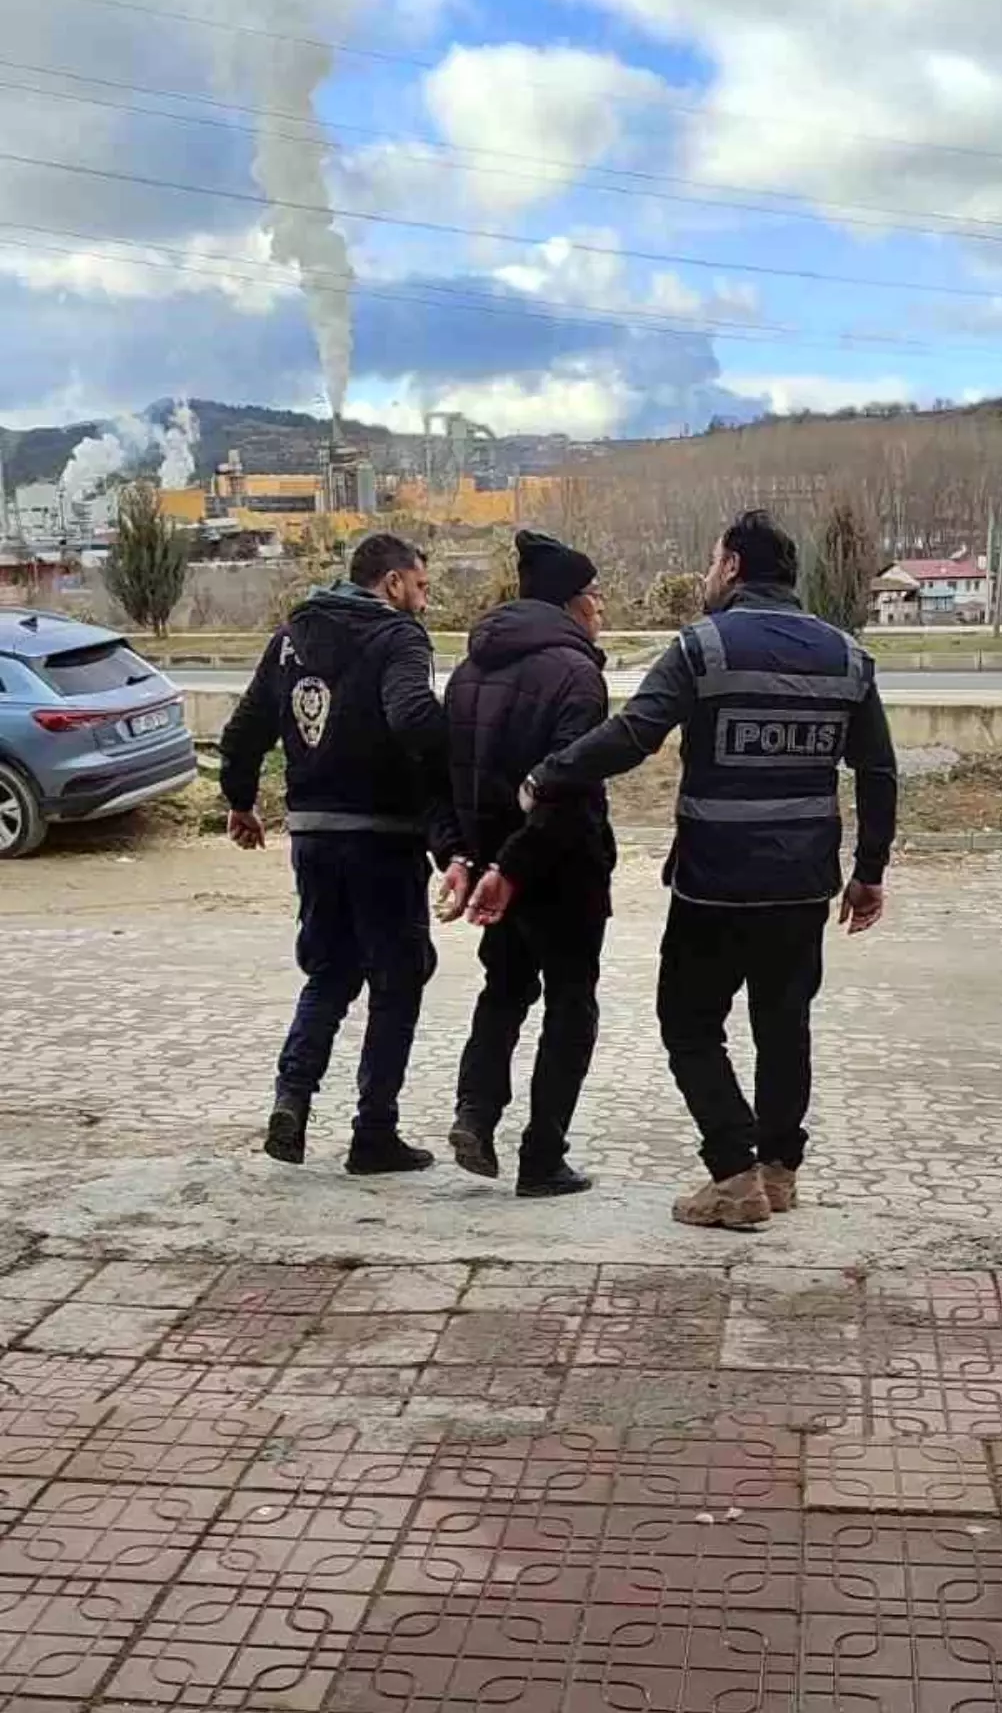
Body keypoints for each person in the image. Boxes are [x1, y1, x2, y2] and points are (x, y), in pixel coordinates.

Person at [520, 507, 898, 1232]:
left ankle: (734, 1174)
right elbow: (877, 770)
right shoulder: (847, 656)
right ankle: (779, 1171)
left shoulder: (703, 646)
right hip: (802, 883)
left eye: (711, 560)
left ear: (733, 567)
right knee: (784, 1025)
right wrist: (870, 869)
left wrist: (550, 774)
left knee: (689, 1023)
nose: (706, 574)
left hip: (715, 883)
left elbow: (635, 733)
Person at [219, 532, 469, 1176]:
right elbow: (413, 718)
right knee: (397, 981)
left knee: (329, 974)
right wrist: (466, 753)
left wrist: (241, 801)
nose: (424, 599)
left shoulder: (290, 637)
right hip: (382, 838)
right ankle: (373, 1133)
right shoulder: (399, 637)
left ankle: (292, 1101)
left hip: (312, 834)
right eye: (420, 586)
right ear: (392, 582)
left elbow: (244, 728)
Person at [445, 529, 614, 1199]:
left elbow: (451, 775)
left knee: (505, 990)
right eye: (595, 595)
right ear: (571, 602)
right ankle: (543, 1156)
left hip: (494, 869)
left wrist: (472, 857)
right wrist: (515, 865)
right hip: (562, 868)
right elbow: (567, 789)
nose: (602, 607)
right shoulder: (577, 675)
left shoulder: (468, 671)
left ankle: (474, 1114)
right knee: (571, 1005)